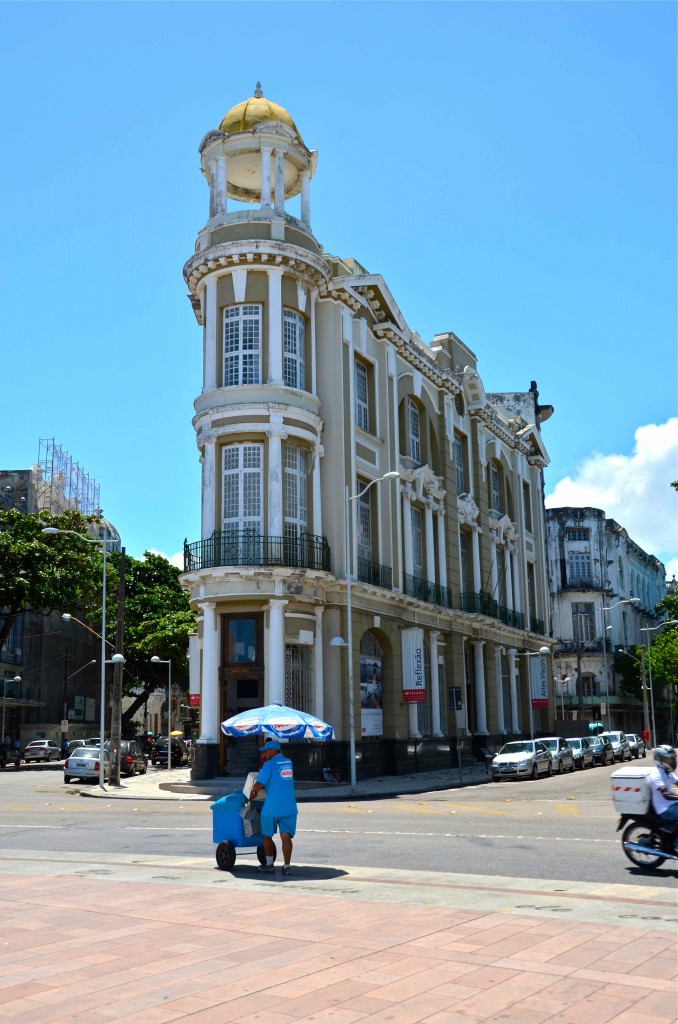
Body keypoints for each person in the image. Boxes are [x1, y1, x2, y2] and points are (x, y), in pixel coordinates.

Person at [249, 739, 297, 876]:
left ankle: (269, 864)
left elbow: (258, 785)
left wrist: (251, 795)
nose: (264, 754)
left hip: (272, 807)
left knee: (266, 835)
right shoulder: (288, 763)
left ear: (271, 751)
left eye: (266, 751)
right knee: (286, 835)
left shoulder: (269, 765)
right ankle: (287, 866)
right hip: (289, 806)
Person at [647, 745, 678, 822]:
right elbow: (666, 795)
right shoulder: (655, 774)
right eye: (668, 760)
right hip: (664, 808)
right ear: (659, 760)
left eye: (672, 759)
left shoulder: (667, 771)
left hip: (672, 804)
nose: (672, 762)